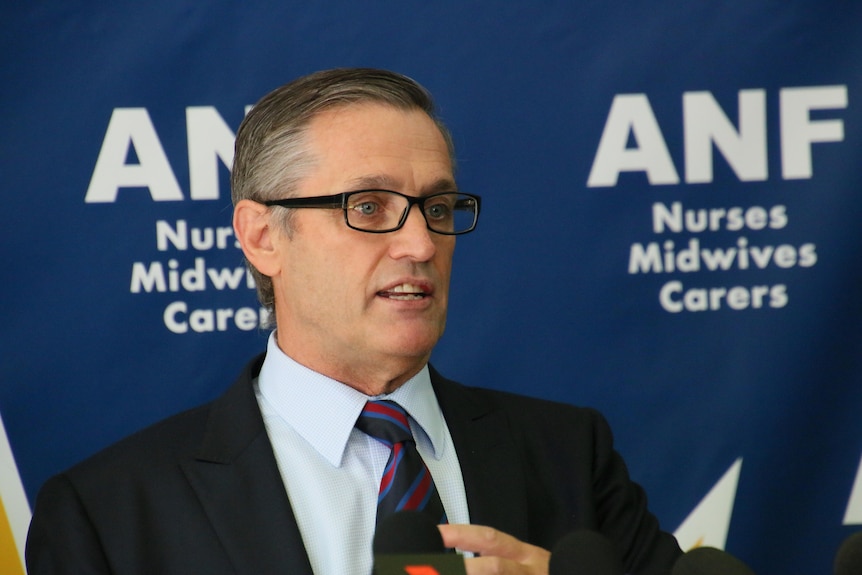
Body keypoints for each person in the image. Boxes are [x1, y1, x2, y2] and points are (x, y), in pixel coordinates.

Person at [25, 68, 682, 575]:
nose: (421, 244)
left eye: (439, 206)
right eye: (369, 206)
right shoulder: (108, 511)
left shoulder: (571, 452)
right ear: (262, 237)